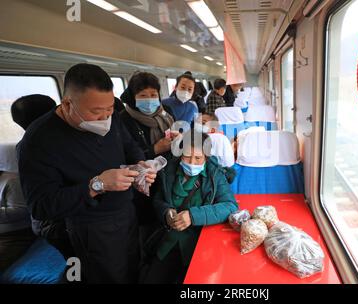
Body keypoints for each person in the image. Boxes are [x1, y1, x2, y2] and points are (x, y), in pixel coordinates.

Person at [17, 63, 157, 284]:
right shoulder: (38, 141)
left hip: (127, 213)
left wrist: (141, 164)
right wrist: (97, 185)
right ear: (67, 104)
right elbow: (41, 206)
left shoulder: (111, 115)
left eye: (109, 109)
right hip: (90, 227)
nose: (105, 119)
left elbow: (130, 145)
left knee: (134, 270)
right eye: (95, 112)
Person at [140, 131, 238, 284]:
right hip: (168, 242)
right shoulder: (168, 171)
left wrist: (193, 216)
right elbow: (159, 200)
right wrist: (166, 212)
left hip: (199, 245)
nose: (192, 162)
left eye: (198, 158)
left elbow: (230, 206)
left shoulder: (215, 175)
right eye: (186, 156)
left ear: (206, 157)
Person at [10, 94, 75, 261]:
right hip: (57, 224)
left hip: (47, 222)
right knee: (79, 262)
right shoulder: (37, 148)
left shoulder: (28, 144)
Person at [120, 72, 178, 242]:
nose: (150, 100)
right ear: (133, 97)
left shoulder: (166, 113)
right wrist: (155, 149)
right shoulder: (124, 119)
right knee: (148, 225)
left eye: (153, 95)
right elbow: (126, 157)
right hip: (143, 182)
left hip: (168, 173)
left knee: (169, 212)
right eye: (143, 95)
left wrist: (177, 140)